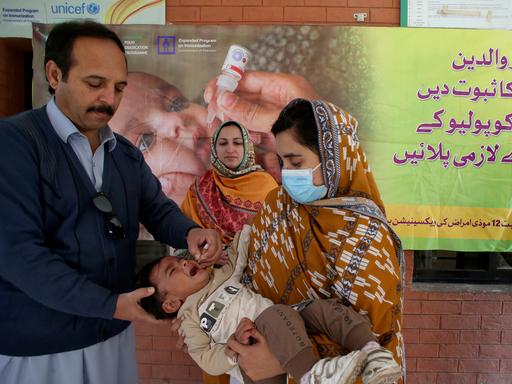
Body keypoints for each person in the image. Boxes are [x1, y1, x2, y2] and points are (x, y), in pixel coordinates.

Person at [0, 20, 221, 384]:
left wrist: (191, 232)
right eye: (95, 83)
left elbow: (156, 208)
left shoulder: (124, 155)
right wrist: (109, 304)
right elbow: (18, 255)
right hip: (41, 349)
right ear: (55, 74)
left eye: (118, 87)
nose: (109, 99)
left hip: (111, 334)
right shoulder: (16, 144)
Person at [221, 98, 405, 384]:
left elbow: (372, 339)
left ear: (335, 158)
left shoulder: (366, 235)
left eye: (296, 162)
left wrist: (277, 361)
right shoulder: (277, 205)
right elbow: (248, 282)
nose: (287, 173)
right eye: (282, 162)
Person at [138, 225, 401, 384]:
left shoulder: (221, 276)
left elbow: (238, 255)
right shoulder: (189, 319)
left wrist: (250, 227)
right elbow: (206, 359)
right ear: (171, 304)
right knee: (274, 315)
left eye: (181, 260)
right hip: (253, 356)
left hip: (285, 322)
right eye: (174, 271)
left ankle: (374, 354)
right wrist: (233, 348)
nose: (183, 263)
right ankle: (312, 376)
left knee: (326, 309)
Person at [181, 120, 278, 244]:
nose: (230, 149)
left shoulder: (267, 186)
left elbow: (277, 236)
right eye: (223, 143)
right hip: (207, 261)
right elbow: (188, 238)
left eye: (237, 143)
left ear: (247, 147)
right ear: (214, 148)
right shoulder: (199, 188)